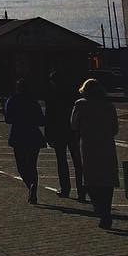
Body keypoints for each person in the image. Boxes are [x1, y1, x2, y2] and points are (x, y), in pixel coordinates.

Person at [70, 78, 120, 230]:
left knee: (91, 179)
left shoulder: (80, 105)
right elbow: (115, 128)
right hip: (106, 145)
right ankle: (106, 210)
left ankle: (100, 210)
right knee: (107, 179)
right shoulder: (108, 106)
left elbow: (73, 125)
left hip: (88, 145)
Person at [44, 70, 85, 201]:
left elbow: (49, 117)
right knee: (78, 162)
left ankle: (65, 189)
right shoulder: (72, 94)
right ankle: (81, 191)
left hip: (58, 132)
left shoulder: (52, 96)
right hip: (72, 131)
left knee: (62, 161)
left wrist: (48, 134)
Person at [4, 77, 45, 204]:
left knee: (21, 166)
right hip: (33, 135)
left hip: (19, 135)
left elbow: (8, 118)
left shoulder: (13, 100)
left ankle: (30, 185)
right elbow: (41, 120)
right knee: (32, 165)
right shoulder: (33, 101)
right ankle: (33, 186)